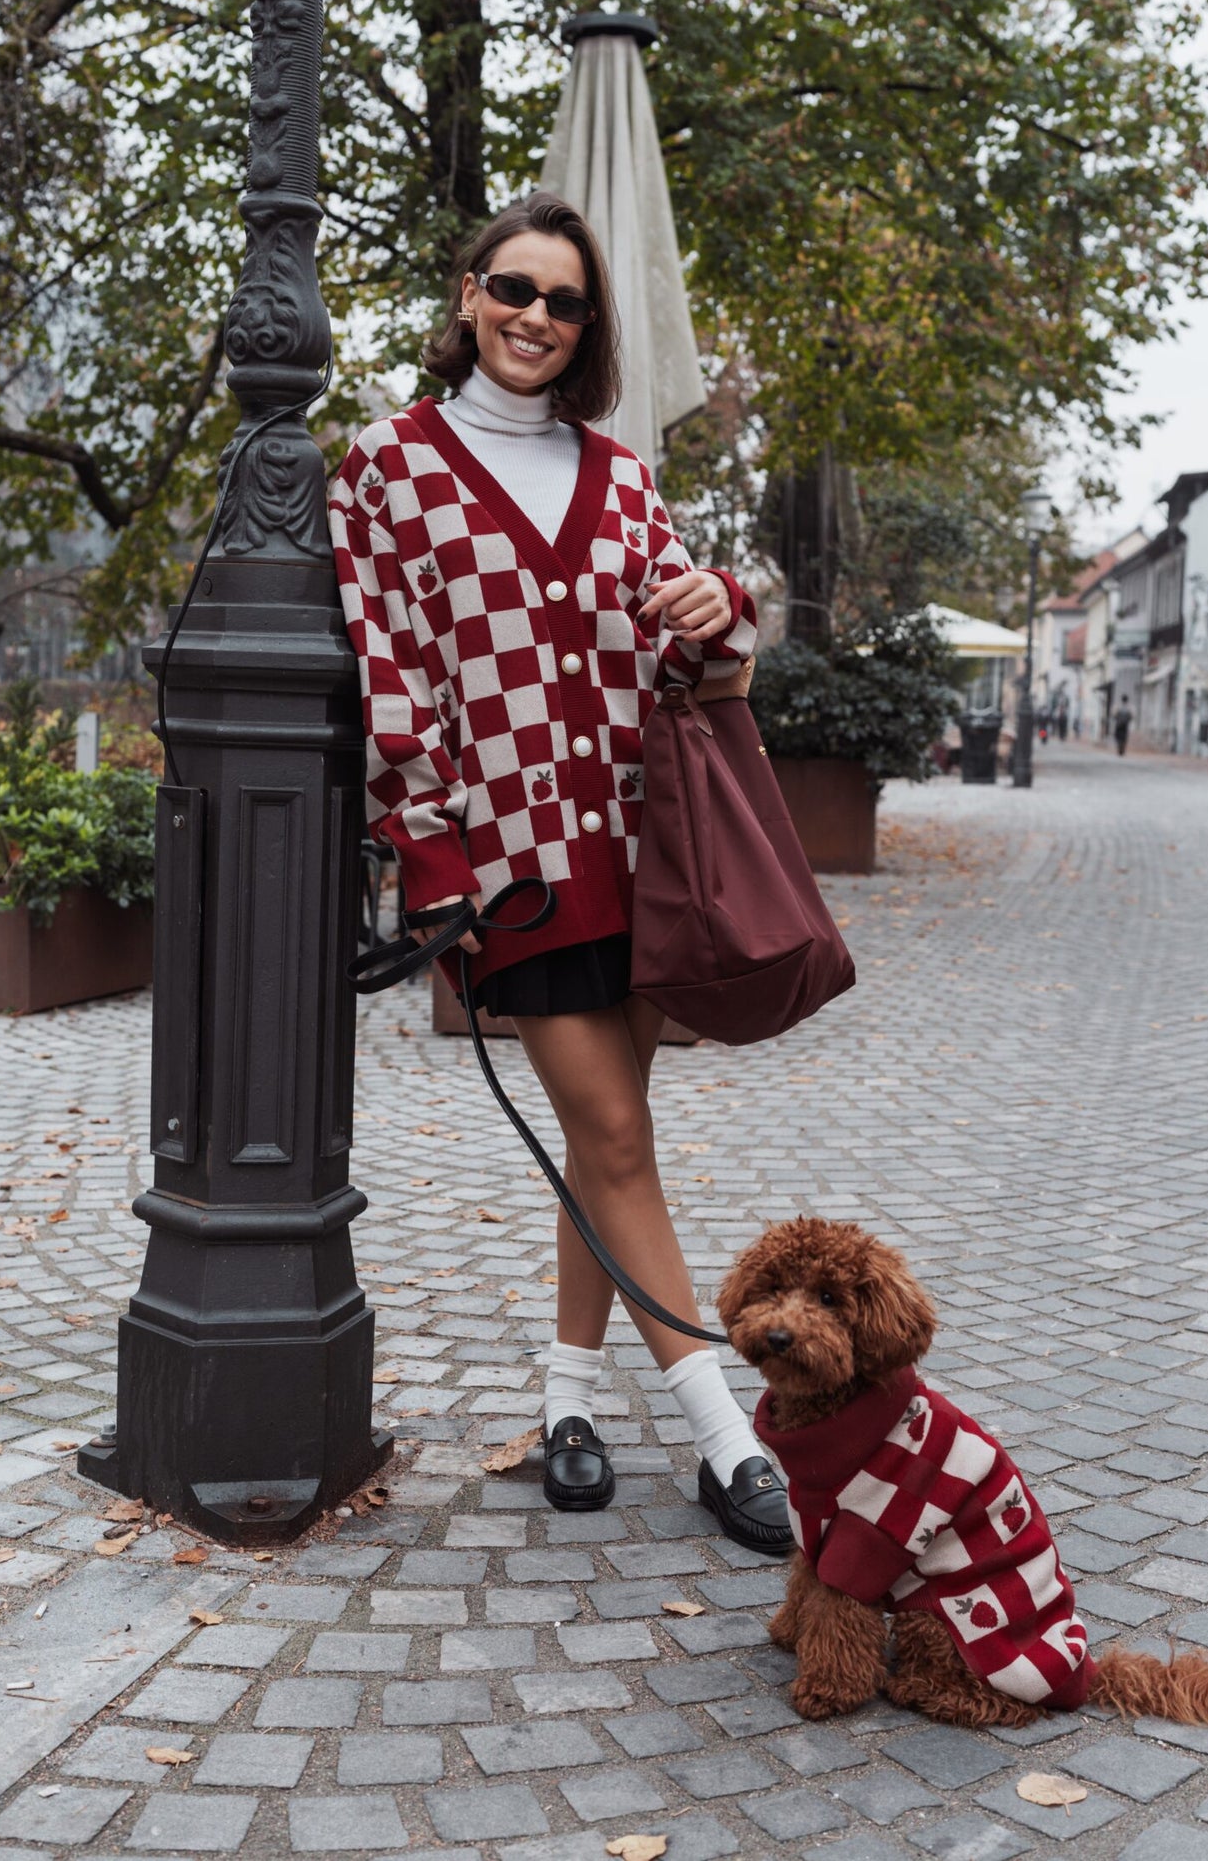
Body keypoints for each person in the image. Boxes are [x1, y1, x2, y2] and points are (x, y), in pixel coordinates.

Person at [329, 193, 791, 1554]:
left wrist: (717, 607)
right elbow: (392, 686)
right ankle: (724, 1441)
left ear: (586, 328)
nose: (536, 317)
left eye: (564, 301)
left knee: (604, 1148)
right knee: (619, 1138)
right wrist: (433, 859)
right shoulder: (387, 468)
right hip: (518, 866)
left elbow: (692, 669)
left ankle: (567, 1404)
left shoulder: (624, 474)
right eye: (513, 289)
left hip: (640, 845)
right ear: (468, 296)